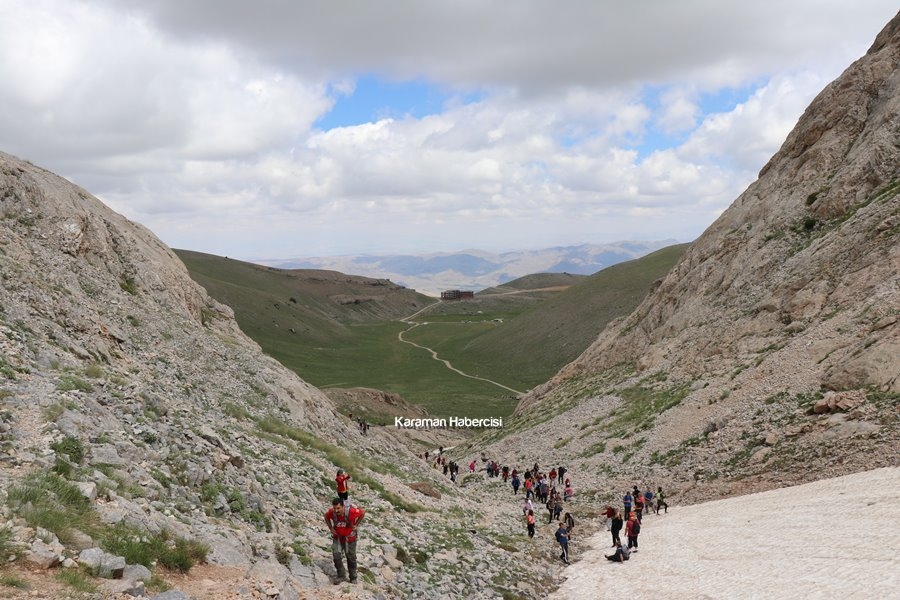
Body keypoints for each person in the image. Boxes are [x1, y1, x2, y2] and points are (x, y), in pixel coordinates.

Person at [324, 497, 365, 583]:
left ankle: (353, 577)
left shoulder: (351, 511)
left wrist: (356, 524)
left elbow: (362, 512)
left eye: (338, 508)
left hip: (350, 538)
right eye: (334, 508)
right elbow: (326, 516)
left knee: (351, 558)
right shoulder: (332, 512)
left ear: (343, 507)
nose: (336, 510)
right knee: (336, 556)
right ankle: (341, 575)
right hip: (338, 538)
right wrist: (331, 528)